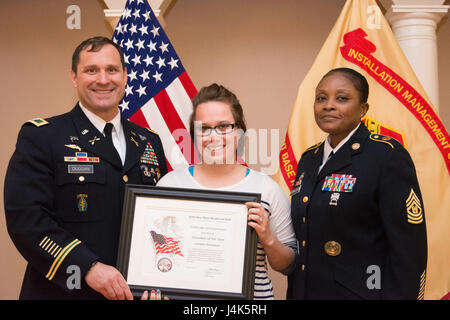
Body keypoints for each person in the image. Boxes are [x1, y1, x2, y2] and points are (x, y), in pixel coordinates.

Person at [4, 36, 168, 300]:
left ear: (125, 76)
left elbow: (162, 218)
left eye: (112, 70)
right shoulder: (43, 137)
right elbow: (26, 220)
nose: (103, 80)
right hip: (64, 291)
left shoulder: (150, 141)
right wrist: (86, 266)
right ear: (74, 77)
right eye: (91, 70)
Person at [287, 68, 427, 299]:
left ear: (363, 109)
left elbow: (408, 252)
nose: (328, 105)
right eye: (321, 98)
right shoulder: (308, 159)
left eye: (341, 98)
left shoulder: (385, 156)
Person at [157, 83, 297, 300]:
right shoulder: (169, 186)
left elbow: (288, 266)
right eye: (204, 128)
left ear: (239, 130)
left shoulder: (267, 190)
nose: (213, 137)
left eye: (223, 126)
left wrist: (267, 237)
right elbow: (154, 256)